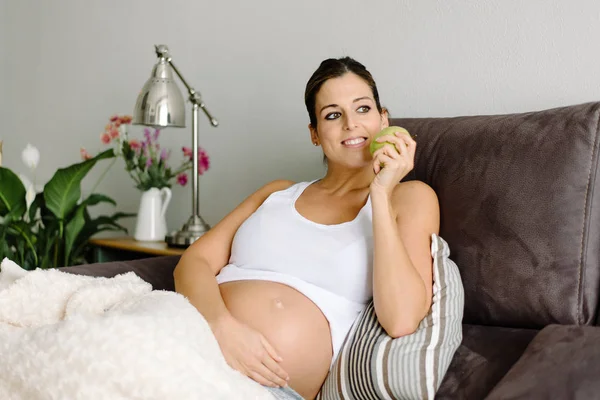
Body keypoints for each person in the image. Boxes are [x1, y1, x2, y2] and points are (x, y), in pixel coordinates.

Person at [173, 57, 440, 400]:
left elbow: (401, 319)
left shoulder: (410, 198)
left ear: (383, 119)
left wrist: (380, 192)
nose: (350, 124)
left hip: (259, 387)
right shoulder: (276, 193)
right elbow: (191, 263)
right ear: (314, 133)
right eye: (332, 114)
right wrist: (221, 326)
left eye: (363, 109)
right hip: (188, 337)